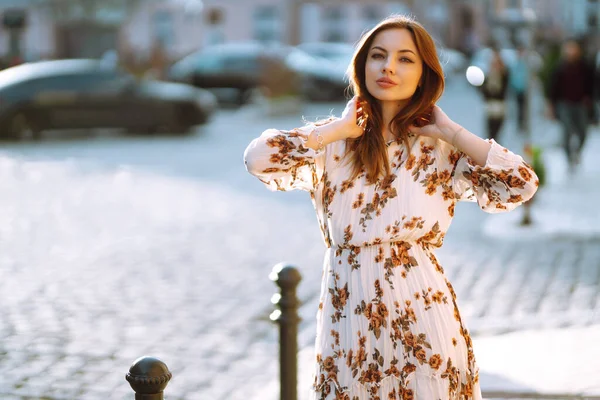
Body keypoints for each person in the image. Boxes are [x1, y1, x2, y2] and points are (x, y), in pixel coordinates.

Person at [244, 15, 538, 399]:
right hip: (347, 322)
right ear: (362, 65)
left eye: (405, 59)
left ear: (424, 74)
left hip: (423, 317)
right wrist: (335, 130)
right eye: (378, 56)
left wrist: (451, 132)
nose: (388, 67)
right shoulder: (333, 142)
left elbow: (521, 183)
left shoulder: (439, 149)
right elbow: (258, 160)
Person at [548, 39, 595, 172]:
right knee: (567, 131)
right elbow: (553, 88)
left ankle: (577, 152)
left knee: (583, 131)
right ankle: (569, 158)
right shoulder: (560, 67)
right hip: (565, 104)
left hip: (581, 104)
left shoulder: (585, 66)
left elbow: (592, 84)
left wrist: (589, 99)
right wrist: (551, 105)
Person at [479, 49, 509, 141]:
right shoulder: (488, 76)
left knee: (497, 132)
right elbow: (484, 92)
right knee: (490, 132)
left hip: (499, 107)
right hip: (490, 107)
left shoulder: (504, 76)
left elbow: (503, 91)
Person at [508, 45, 529, 133]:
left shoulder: (526, 64)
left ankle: (523, 123)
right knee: (519, 107)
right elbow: (513, 77)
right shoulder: (515, 64)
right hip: (518, 89)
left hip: (524, 89)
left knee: (523, 108)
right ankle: (519, 124)